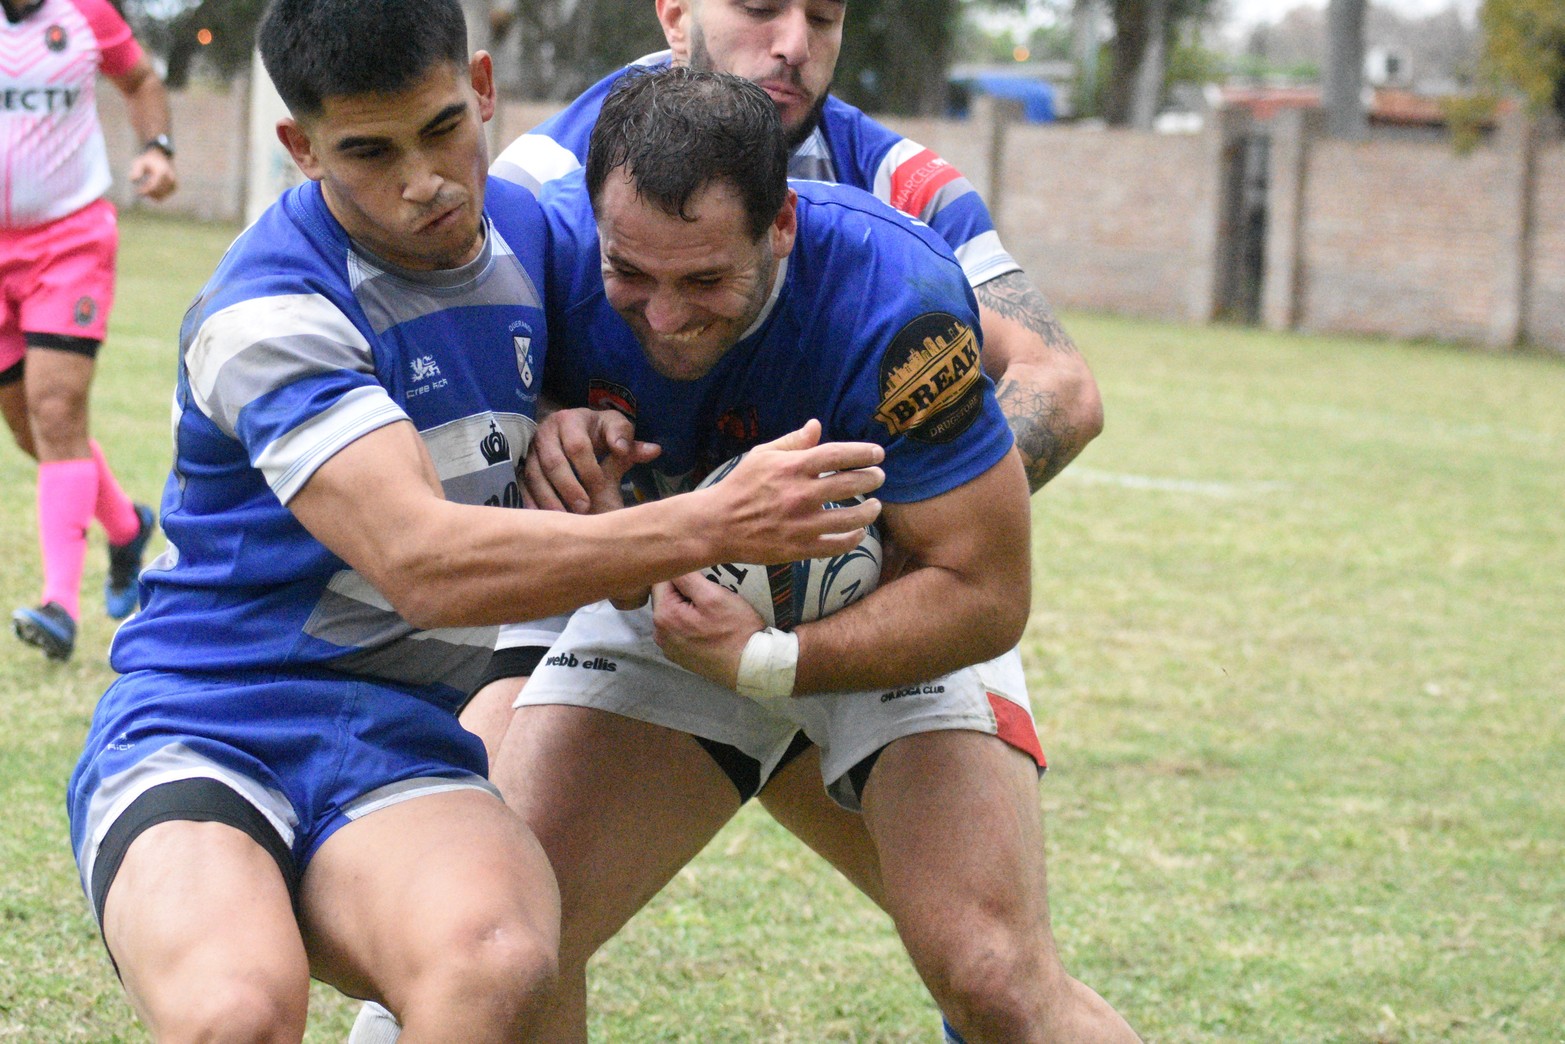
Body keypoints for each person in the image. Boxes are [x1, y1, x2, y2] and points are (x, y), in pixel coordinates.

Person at [64, 4, 886, 1040]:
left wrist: (569, 421)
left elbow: (619, 367)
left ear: (484, 89)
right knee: (238, 1010)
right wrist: (712, 522)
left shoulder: (539, 237)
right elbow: (422, 563)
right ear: (300, 146)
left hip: (402, 741)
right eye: (368, 151)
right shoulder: (267, 312)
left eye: (444, 127)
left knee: (499, 963)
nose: (424, 180)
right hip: (207, 725)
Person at [470, 67, 1138, 1042]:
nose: (661, 314)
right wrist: (563, 465)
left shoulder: (894, 297)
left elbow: (985, 593)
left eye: (703, 279)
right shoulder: (543, 258)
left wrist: (768, 659)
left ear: (780, 223)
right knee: (501, 951)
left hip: (892, 599)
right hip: (671, 614)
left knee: (992, 975)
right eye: (631, 276)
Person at [2, 0, 177, 661]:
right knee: (30, 428)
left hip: (68, 241)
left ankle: (58, 606)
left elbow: (140, 80)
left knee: (55, 409)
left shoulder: (86, 13)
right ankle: (126, 528)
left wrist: (157, 149)